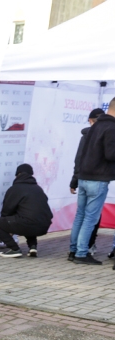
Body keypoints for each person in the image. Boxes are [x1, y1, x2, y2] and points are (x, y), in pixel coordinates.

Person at [68, 98, 115, 265]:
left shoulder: (93, 127)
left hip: (84, 177)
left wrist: (75, 178)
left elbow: (80, 155)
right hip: (98, 179)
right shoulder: (112, 127)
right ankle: (81, 253)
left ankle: (73, 251)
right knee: (90, 218)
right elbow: (111, 154)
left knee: (80, 216)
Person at [0, 164, 52, 258]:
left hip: (29, 223)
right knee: (28, 218)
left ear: (17, 174)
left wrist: (6, 226)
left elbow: (7, 210)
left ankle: (14, 249)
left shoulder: (15, 189)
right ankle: (33, 247)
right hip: (44, 225)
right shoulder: (38, 188)